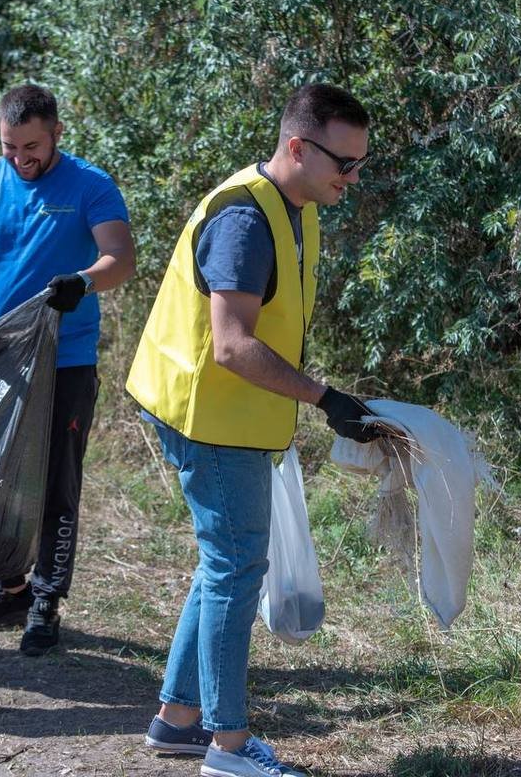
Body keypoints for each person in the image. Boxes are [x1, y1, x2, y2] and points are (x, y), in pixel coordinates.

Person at [126, 82, 380, 777]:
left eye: (360, 163)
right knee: (236, 569)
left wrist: (312, 399)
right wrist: (324, 398)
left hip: (233, 416)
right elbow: (233, 345)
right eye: (343, 163)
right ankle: (227, 749)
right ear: (297, 146)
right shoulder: (244, 218)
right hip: (206, 415)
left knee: (225, 563)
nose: (352, 179)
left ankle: (177, 720)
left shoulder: (298, 205)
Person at [0, 84, 136, 656]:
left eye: (32, 146)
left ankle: (46, 600)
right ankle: (10, 587)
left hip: (64, 361)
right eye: (10, 146)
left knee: (54, 484)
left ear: (57, 132)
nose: (20, 158)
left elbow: (121, 257)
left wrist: (83, 282)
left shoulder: (90, 184)